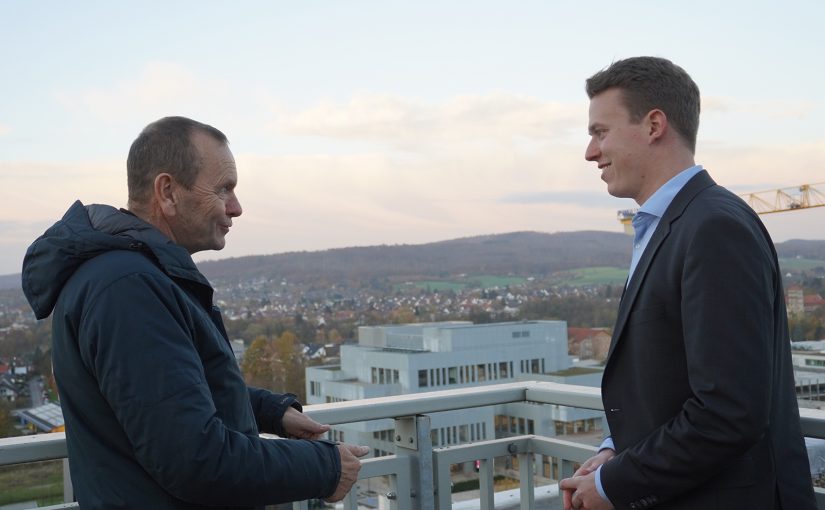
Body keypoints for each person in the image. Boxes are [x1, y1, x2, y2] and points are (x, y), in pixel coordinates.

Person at [21, 116, 368, 509]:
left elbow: (164, 393)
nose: (236, 208)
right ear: (167, 192)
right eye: (223, 189)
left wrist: (270, 412)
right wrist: (324, 468)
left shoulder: (132, 278)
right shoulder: (128, 289)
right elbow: (194, 459)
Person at [558, 57, 817, 509]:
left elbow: (727, 412)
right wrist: (614, 452)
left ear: (654, 124)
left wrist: (613, 485)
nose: (590, 152)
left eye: (600, 132)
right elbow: (670, 382)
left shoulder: (714, 227)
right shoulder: (674, 225)